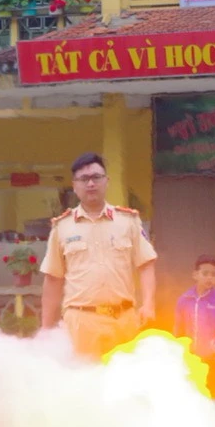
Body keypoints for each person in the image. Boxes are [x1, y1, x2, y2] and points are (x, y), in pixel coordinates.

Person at [40, 152, 157, 361]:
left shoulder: (128, 221)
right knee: (83, 378)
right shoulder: (62, 227)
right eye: (84, 179)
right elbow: (53, 279)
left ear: (107, 181)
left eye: (96, 177)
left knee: (123, 378)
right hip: (81, 322)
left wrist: (148, 303)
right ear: (75, 186)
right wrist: (46, 330)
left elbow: (146, 264)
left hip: (123, 320)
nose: (91, 184)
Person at [174, 255, 215, 396]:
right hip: (191, 357)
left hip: (214, 359)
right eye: (205, 274)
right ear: (195, 275)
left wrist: (213, 347)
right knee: (191, 393)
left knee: (210, 393)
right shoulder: (184, 300)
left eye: (214, 275)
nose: (210, 278)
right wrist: (180, 350)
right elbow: (178, 329)